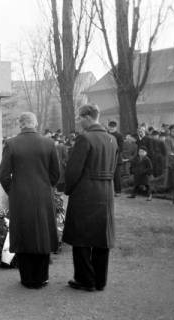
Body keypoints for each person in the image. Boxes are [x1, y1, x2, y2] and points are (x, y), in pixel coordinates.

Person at [0, 112, 60, 289]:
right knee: (43, 233)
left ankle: (27, 278)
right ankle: (41, 277)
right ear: (35, 124)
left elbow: (3, 174)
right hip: (43, 195)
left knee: (24, 233)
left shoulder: (11, 144)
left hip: (20, 197)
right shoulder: (48, 143)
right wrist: (45, 188)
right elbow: (56, 174)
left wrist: (14, 191)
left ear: (21, 124)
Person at [63, 104, 118, 292]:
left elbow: (73, 170)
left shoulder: (85, 139)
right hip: (106, 192)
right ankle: (100, 280)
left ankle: (85, 280)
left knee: (81, 237)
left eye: (80, 117)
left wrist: (68, 189)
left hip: (86, 192)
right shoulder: (112, 139)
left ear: (87, 117)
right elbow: (114, 168)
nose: (78, 121)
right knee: (101, 237)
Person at [107, 121, 124, 196]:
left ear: (116, 127)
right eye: (110, 127)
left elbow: (121, 148)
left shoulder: (119, 136)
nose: (111, 128)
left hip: (117, 159)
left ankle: (118, 191)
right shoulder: (106, 134)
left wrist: (112, 151)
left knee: (117, 176)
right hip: (108, 158)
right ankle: (110, 191)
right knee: (108, 175)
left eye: (112, 127)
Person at [165, 124, 174, 204]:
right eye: (173, 131)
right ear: (170, 131)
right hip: (173, 162)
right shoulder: (168, 139)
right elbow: (168, 151)